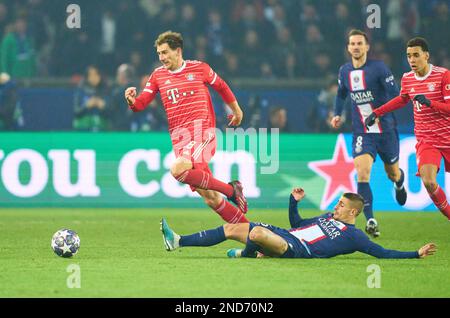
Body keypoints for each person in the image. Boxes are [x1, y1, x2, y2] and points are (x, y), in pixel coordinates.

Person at [124, 31, 248, 224]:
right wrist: (132, 101)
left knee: (177, 170)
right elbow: (141, 104)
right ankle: (253, 236)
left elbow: (222, 86)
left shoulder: (200, 68)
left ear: (178, 51)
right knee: (211, 198)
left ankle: (232, 190)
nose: (161, 58)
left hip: (202, 133)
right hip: (180, 140)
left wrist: (237, 111)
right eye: (159, 54)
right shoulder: (157, 75)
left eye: (165, 52)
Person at [160, 187, 436, 259]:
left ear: (353, 213)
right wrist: (294, 202)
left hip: (295, 250)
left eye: (340, 205)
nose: (335, 206)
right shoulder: (327, 218)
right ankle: (178, 241)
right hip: (287, 234)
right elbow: (298, 223)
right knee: (233, 228)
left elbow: (382, 253)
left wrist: (415, 253)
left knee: (255, 232)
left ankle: (251, 254)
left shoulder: (355, 237)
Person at [330, 29, 407, 238]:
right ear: (348, 48)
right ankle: (370, 219)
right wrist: (337, 114)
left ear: (367, 47)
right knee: (362, 174)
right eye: (352, 43)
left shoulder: (379, 68)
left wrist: (382, 112)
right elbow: (341, 94)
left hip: (386, 131)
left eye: (359, 43)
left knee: (392, 172)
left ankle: (399, 180)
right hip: (363, 132)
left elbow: (396, 96)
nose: (355, 47)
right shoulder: (344, 71)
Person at [365, 37, 450, 221]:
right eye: (409, 56)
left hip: (448, 137)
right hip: (428, 141)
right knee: (428, 181)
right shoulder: (407, 78)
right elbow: (403, 99)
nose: (412, 60)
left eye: (416, 55)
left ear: (426, 56)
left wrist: (430, 103)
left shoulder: (443, 75)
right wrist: (377, 112)